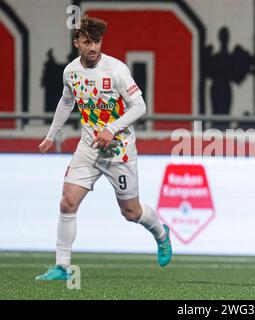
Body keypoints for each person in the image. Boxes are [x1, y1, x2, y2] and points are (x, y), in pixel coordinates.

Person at [36, 16, 172, 281]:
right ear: (76, 42)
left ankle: (161, 234)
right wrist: (51, 136)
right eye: (87, 42)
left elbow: (140, 106)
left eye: (97, 41)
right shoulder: (71, 72)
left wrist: (112, 129)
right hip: (88, 148)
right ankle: (63, 267)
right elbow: (66, 102)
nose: (93, 48)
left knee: (131, 212)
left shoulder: (116, 70)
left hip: (118, 151)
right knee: (67, 203)